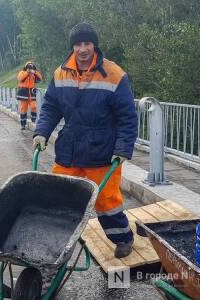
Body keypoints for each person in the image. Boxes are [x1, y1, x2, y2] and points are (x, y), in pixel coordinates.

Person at [33, 22, 138, 258]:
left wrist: (122, 149)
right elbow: (50, 107)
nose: (82, 49)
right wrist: (41, 132)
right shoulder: (61, 73)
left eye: (87, 43)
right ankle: (58, 241)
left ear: (94, 45)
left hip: (101, 152)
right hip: (69, 149)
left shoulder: (114, 74)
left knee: (106, 201)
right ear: (72, 46)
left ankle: (123, 238)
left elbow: (127, 117)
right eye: (78, 44)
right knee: (60, 197)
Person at [16, 61, 43, 130]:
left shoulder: (33, 74)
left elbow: (40, 79)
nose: (30, 68)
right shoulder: (22, 72)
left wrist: (35, 71)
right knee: (23, 109)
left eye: (31, 66)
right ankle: (23, 125)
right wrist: (27, 72)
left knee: (34, 106)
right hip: (24, 93)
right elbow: (20, 78)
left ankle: (33, 120)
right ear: (26, 67)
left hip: (31, 93)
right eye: (29, 66)